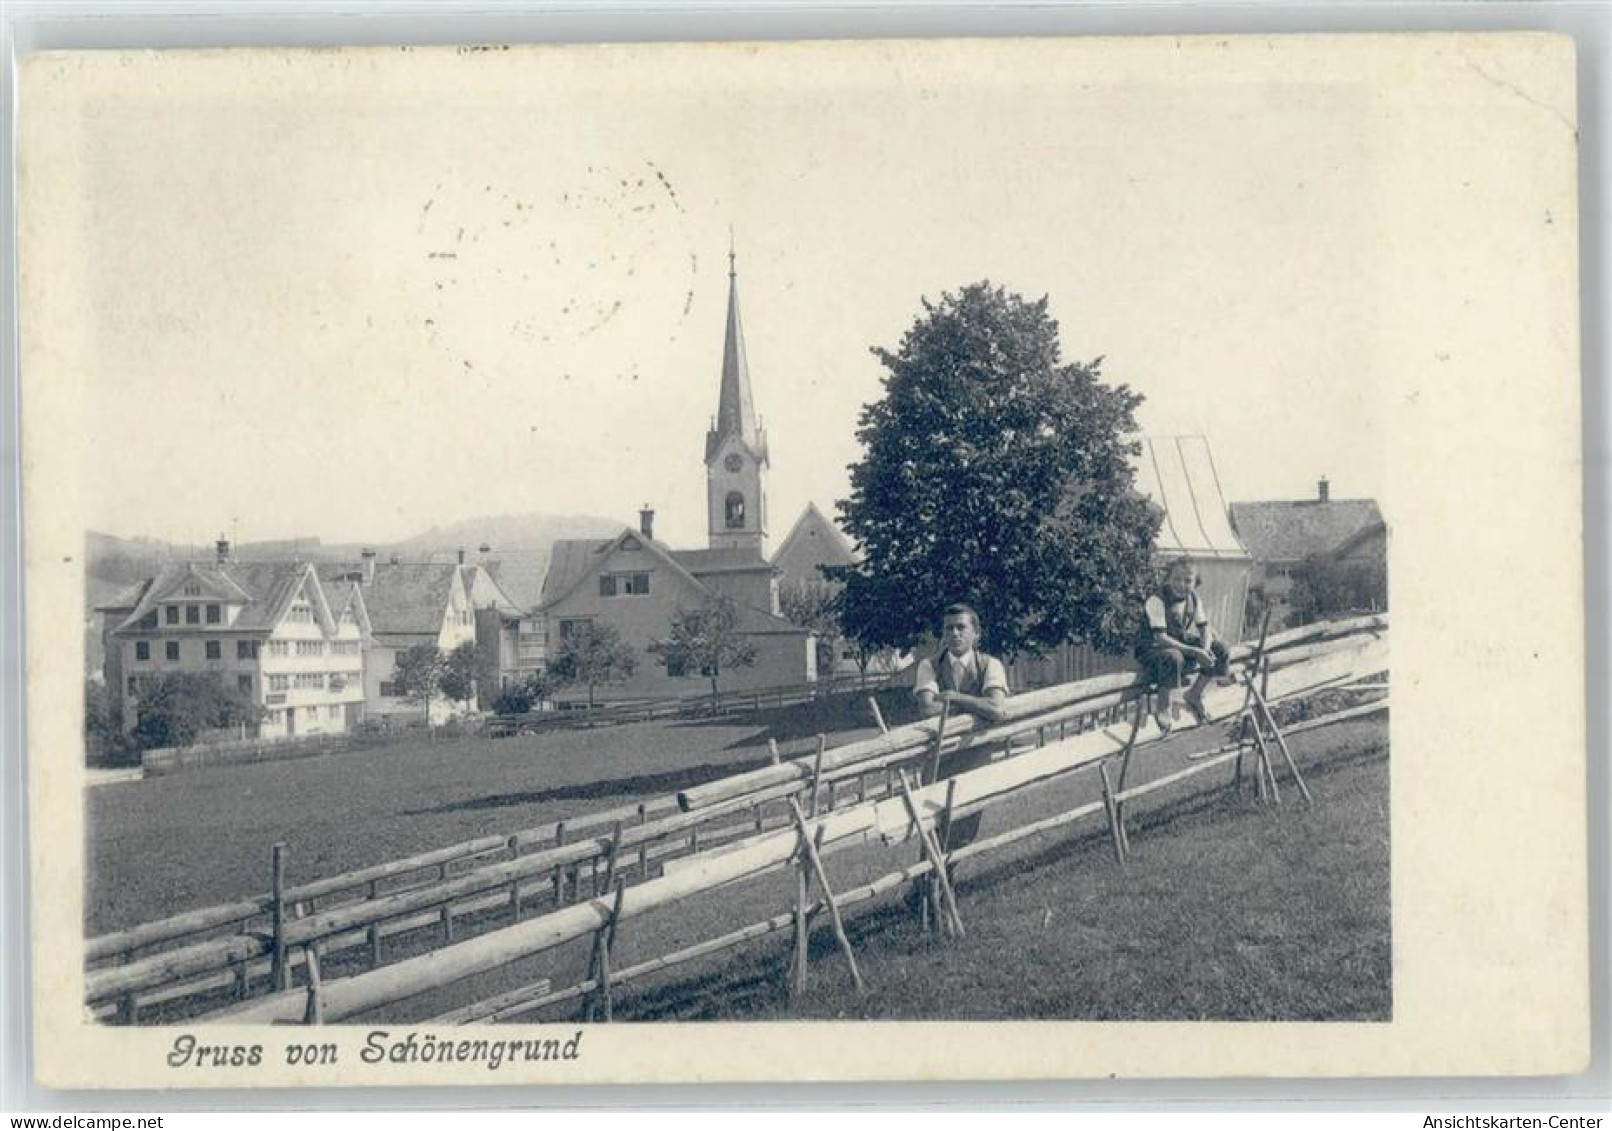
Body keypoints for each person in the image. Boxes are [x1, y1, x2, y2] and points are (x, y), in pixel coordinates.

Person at [912, 603, 1010, 852]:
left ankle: (943, 883)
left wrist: (954, 698)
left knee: (965, 830)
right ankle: (927, 887)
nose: (954, 634)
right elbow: (927, 709)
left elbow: (997, 710)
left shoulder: (990, 665)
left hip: (975, 758)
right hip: (939, 760)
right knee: (933, 828)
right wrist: (977, 706)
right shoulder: (929, 666)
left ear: (976, 634)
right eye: (949, 628)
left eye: (961, 627)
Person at [1135, 557, 1231, 730]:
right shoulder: (1156, 600)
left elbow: (1204, 629)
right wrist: (1195, 652)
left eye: (1188, 580)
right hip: (1151, 647)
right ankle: (1163, 705)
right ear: (1168, 579)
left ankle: (1195, 693)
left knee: (1221, 648)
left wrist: (1205, 650)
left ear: (1195, 582)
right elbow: (1161, 638)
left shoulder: (1193, 599)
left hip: (1177, 641)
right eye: (1176, 579)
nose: (1181, 584)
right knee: (1174, 657)